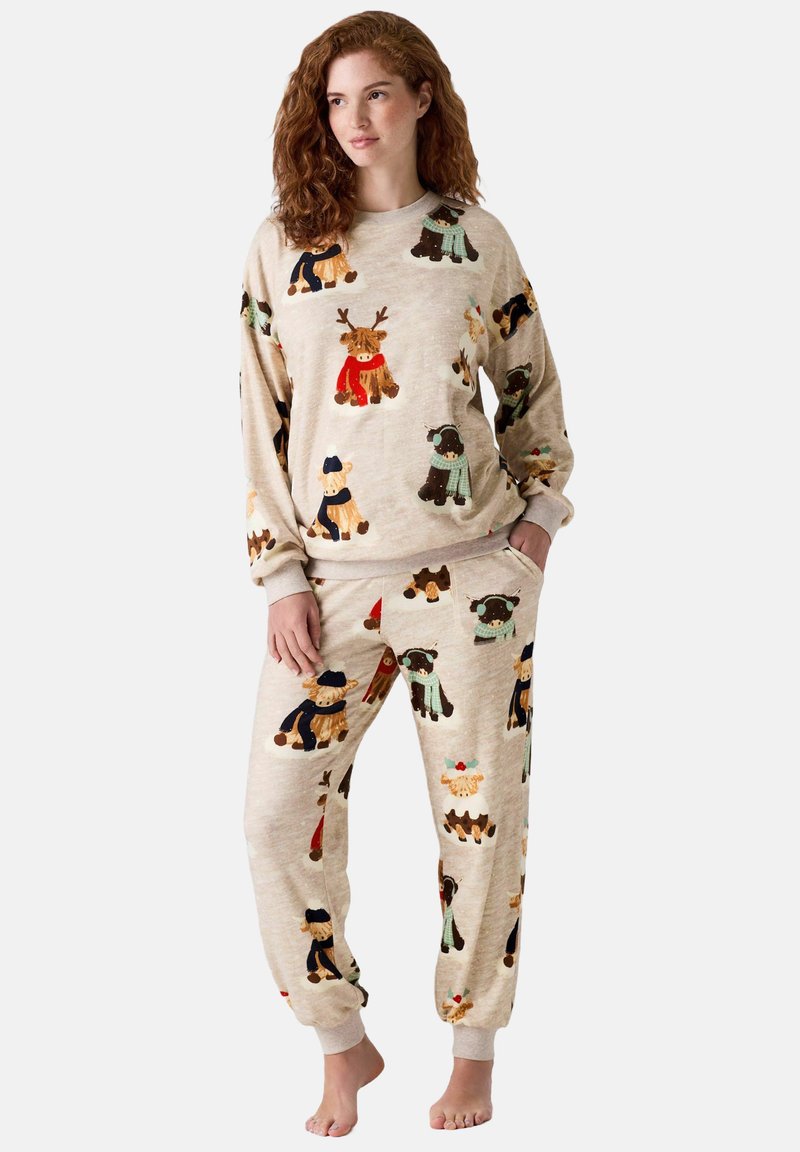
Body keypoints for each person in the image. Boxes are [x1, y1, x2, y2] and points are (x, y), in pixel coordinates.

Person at [238, 10, 575, 1136]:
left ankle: (472, 1054)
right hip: (330, 585)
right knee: (276, 817)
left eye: (376, 93)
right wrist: (280, 574)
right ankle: (342, 1042)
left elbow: (532, 399)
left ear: (423, 96)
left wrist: (534, 531)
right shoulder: (283, 245)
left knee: (479, 819)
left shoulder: (475, 239)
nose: (355, 119)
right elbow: (261, 418)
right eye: (335, 100)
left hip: (470, 580)